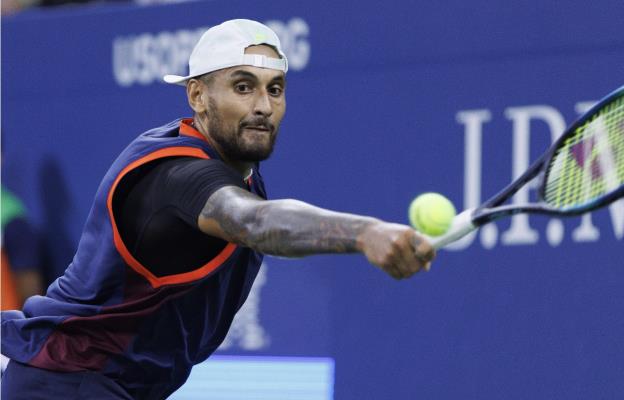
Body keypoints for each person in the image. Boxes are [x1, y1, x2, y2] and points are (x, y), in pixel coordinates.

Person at [0, 19, 435, 399]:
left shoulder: (240, 172)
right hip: (66, 382)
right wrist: (365, 233)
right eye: (243, 87)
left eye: (275, 89)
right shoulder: (177, 174)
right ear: (197, 95)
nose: (263, 106)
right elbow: (255, 221)